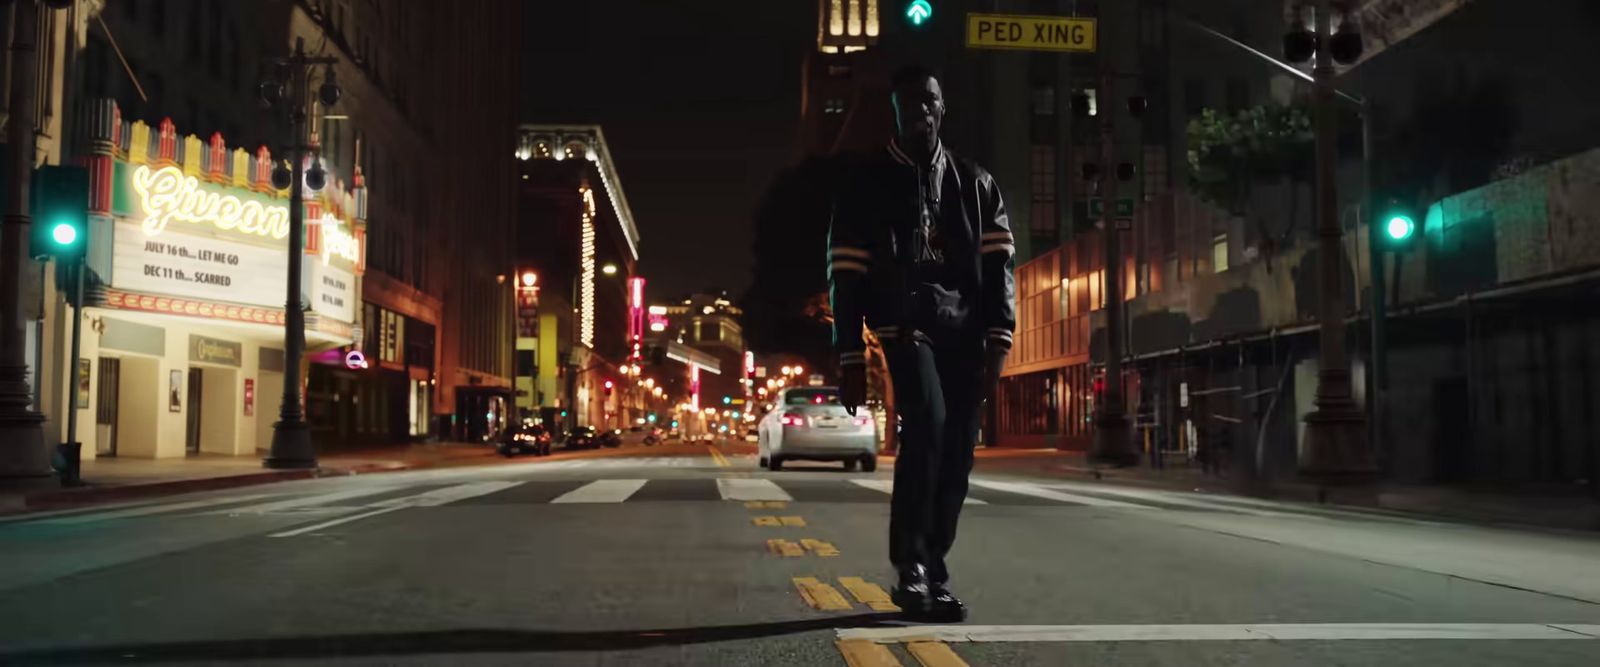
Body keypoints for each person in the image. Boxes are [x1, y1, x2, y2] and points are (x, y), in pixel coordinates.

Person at [829, 64, 1016, 622]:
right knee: (927, 427)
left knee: (958, 451)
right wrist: (849, 355)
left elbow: (1000, 265)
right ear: (895, 109)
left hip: (965, 332)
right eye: (911, 101)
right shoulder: (866, 181)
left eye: (931, 100)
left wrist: (998, 340)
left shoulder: (975, 183)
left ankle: (933, 568)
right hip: (904, 326)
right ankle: (909, 568)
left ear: (943, 107)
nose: (922, 110)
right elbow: (846, 271)